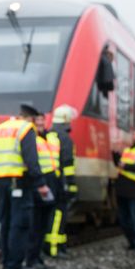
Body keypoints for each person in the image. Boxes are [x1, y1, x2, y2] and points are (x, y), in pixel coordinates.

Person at [0, 102, 50, 269]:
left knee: (5, 221)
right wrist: (40, 183)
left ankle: (6, 262)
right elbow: (31, 159)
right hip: (18, 181)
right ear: (31, 118)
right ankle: (15, 265)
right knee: (19, 224)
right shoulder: (26, 129)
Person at [26, 118, 60, 269]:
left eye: (42, 121)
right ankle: (31, 258)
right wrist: (39, 184)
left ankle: (37, 257)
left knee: (43, 223)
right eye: (37, 122)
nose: (40, 124)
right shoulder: (32, 139)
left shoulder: (47, 139)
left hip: (49, 182)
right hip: (38, 183)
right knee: (35, 223)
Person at [44, 105, 77, 257]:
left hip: (47, 179)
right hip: (60, 181)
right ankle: (55, 248)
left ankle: (56, 246)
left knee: (49, 213)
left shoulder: (49, 134)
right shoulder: (65, 138)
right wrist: (71, 185)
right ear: (66, 120)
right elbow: (68, 163)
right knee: (59, 214)